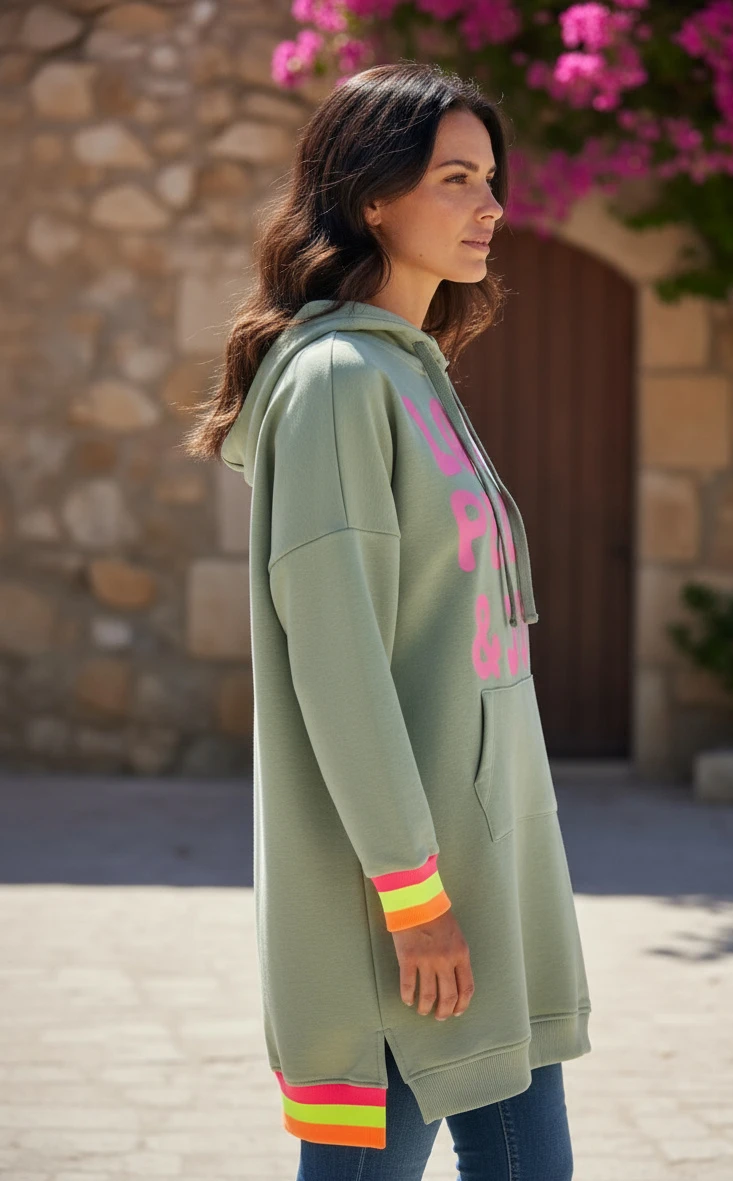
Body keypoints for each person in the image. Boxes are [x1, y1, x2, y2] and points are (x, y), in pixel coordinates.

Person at [183, 61, 591, 1181]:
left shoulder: (413, 373)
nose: (489, 205)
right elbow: (339, 663)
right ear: (372, 196)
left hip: (487, 873)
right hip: (408, 905)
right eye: (455, 178)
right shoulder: (336, 382)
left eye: (490, 178)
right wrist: (413, 898)